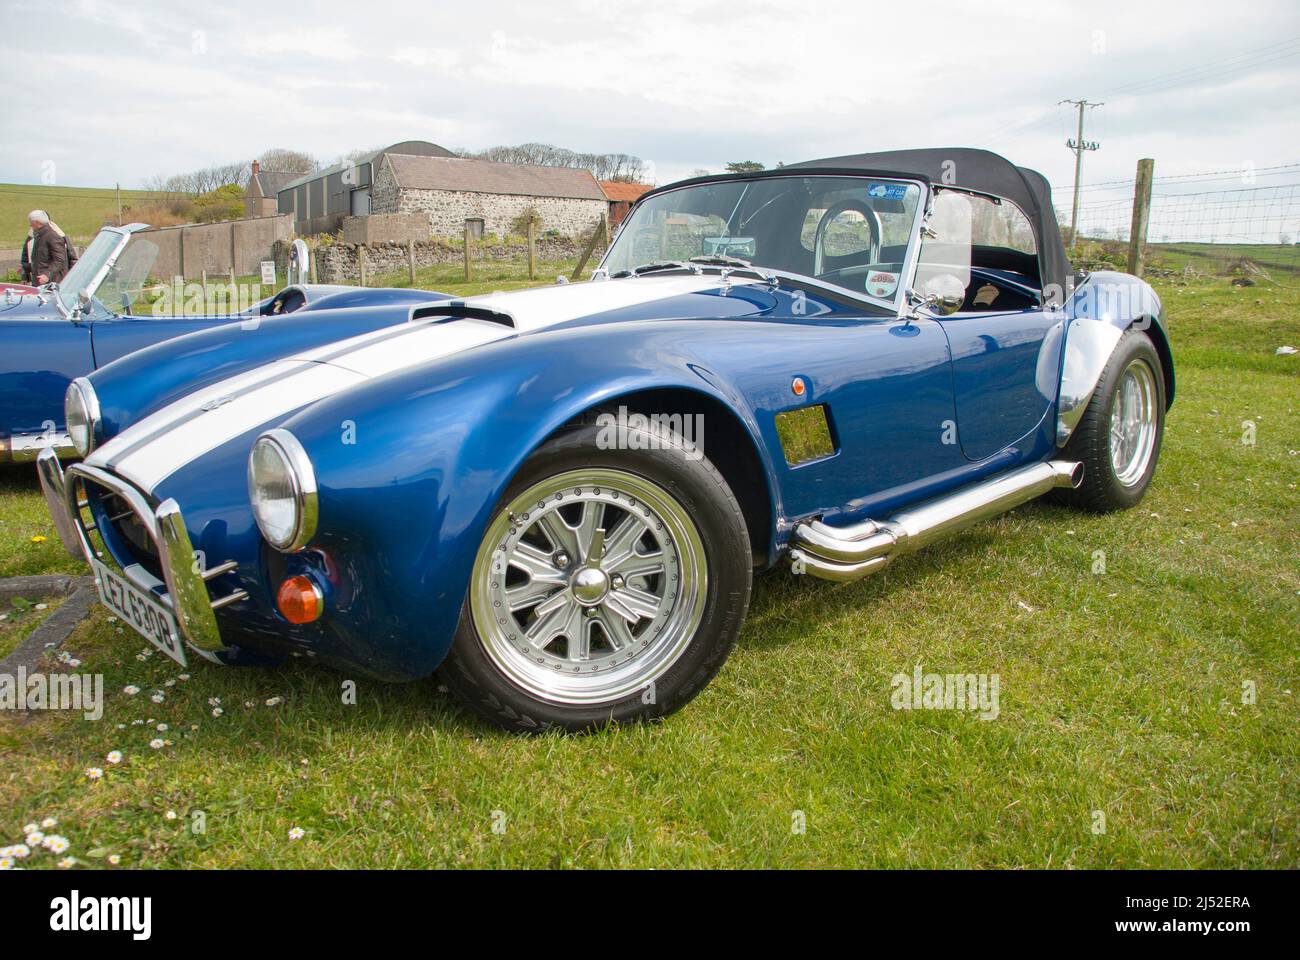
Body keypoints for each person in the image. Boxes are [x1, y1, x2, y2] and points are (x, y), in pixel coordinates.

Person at [22, 210, 70, 286]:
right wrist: (25, 268)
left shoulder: (52, 236)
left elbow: (59, 260)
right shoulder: (37, 235)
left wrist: (47, 275)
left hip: (51, 283)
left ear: (37, 222)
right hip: (40, 281)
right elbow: (39, 261)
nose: (30, 225)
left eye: (31, 222)